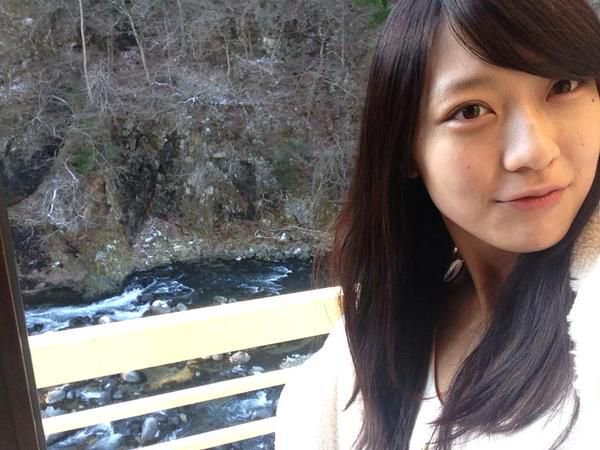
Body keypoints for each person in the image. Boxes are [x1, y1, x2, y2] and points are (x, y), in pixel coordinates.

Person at [275, 0, 600, 449]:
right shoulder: (374, 340)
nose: (534, 151)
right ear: (406, 149)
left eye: (562, 85)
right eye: (471, 111)